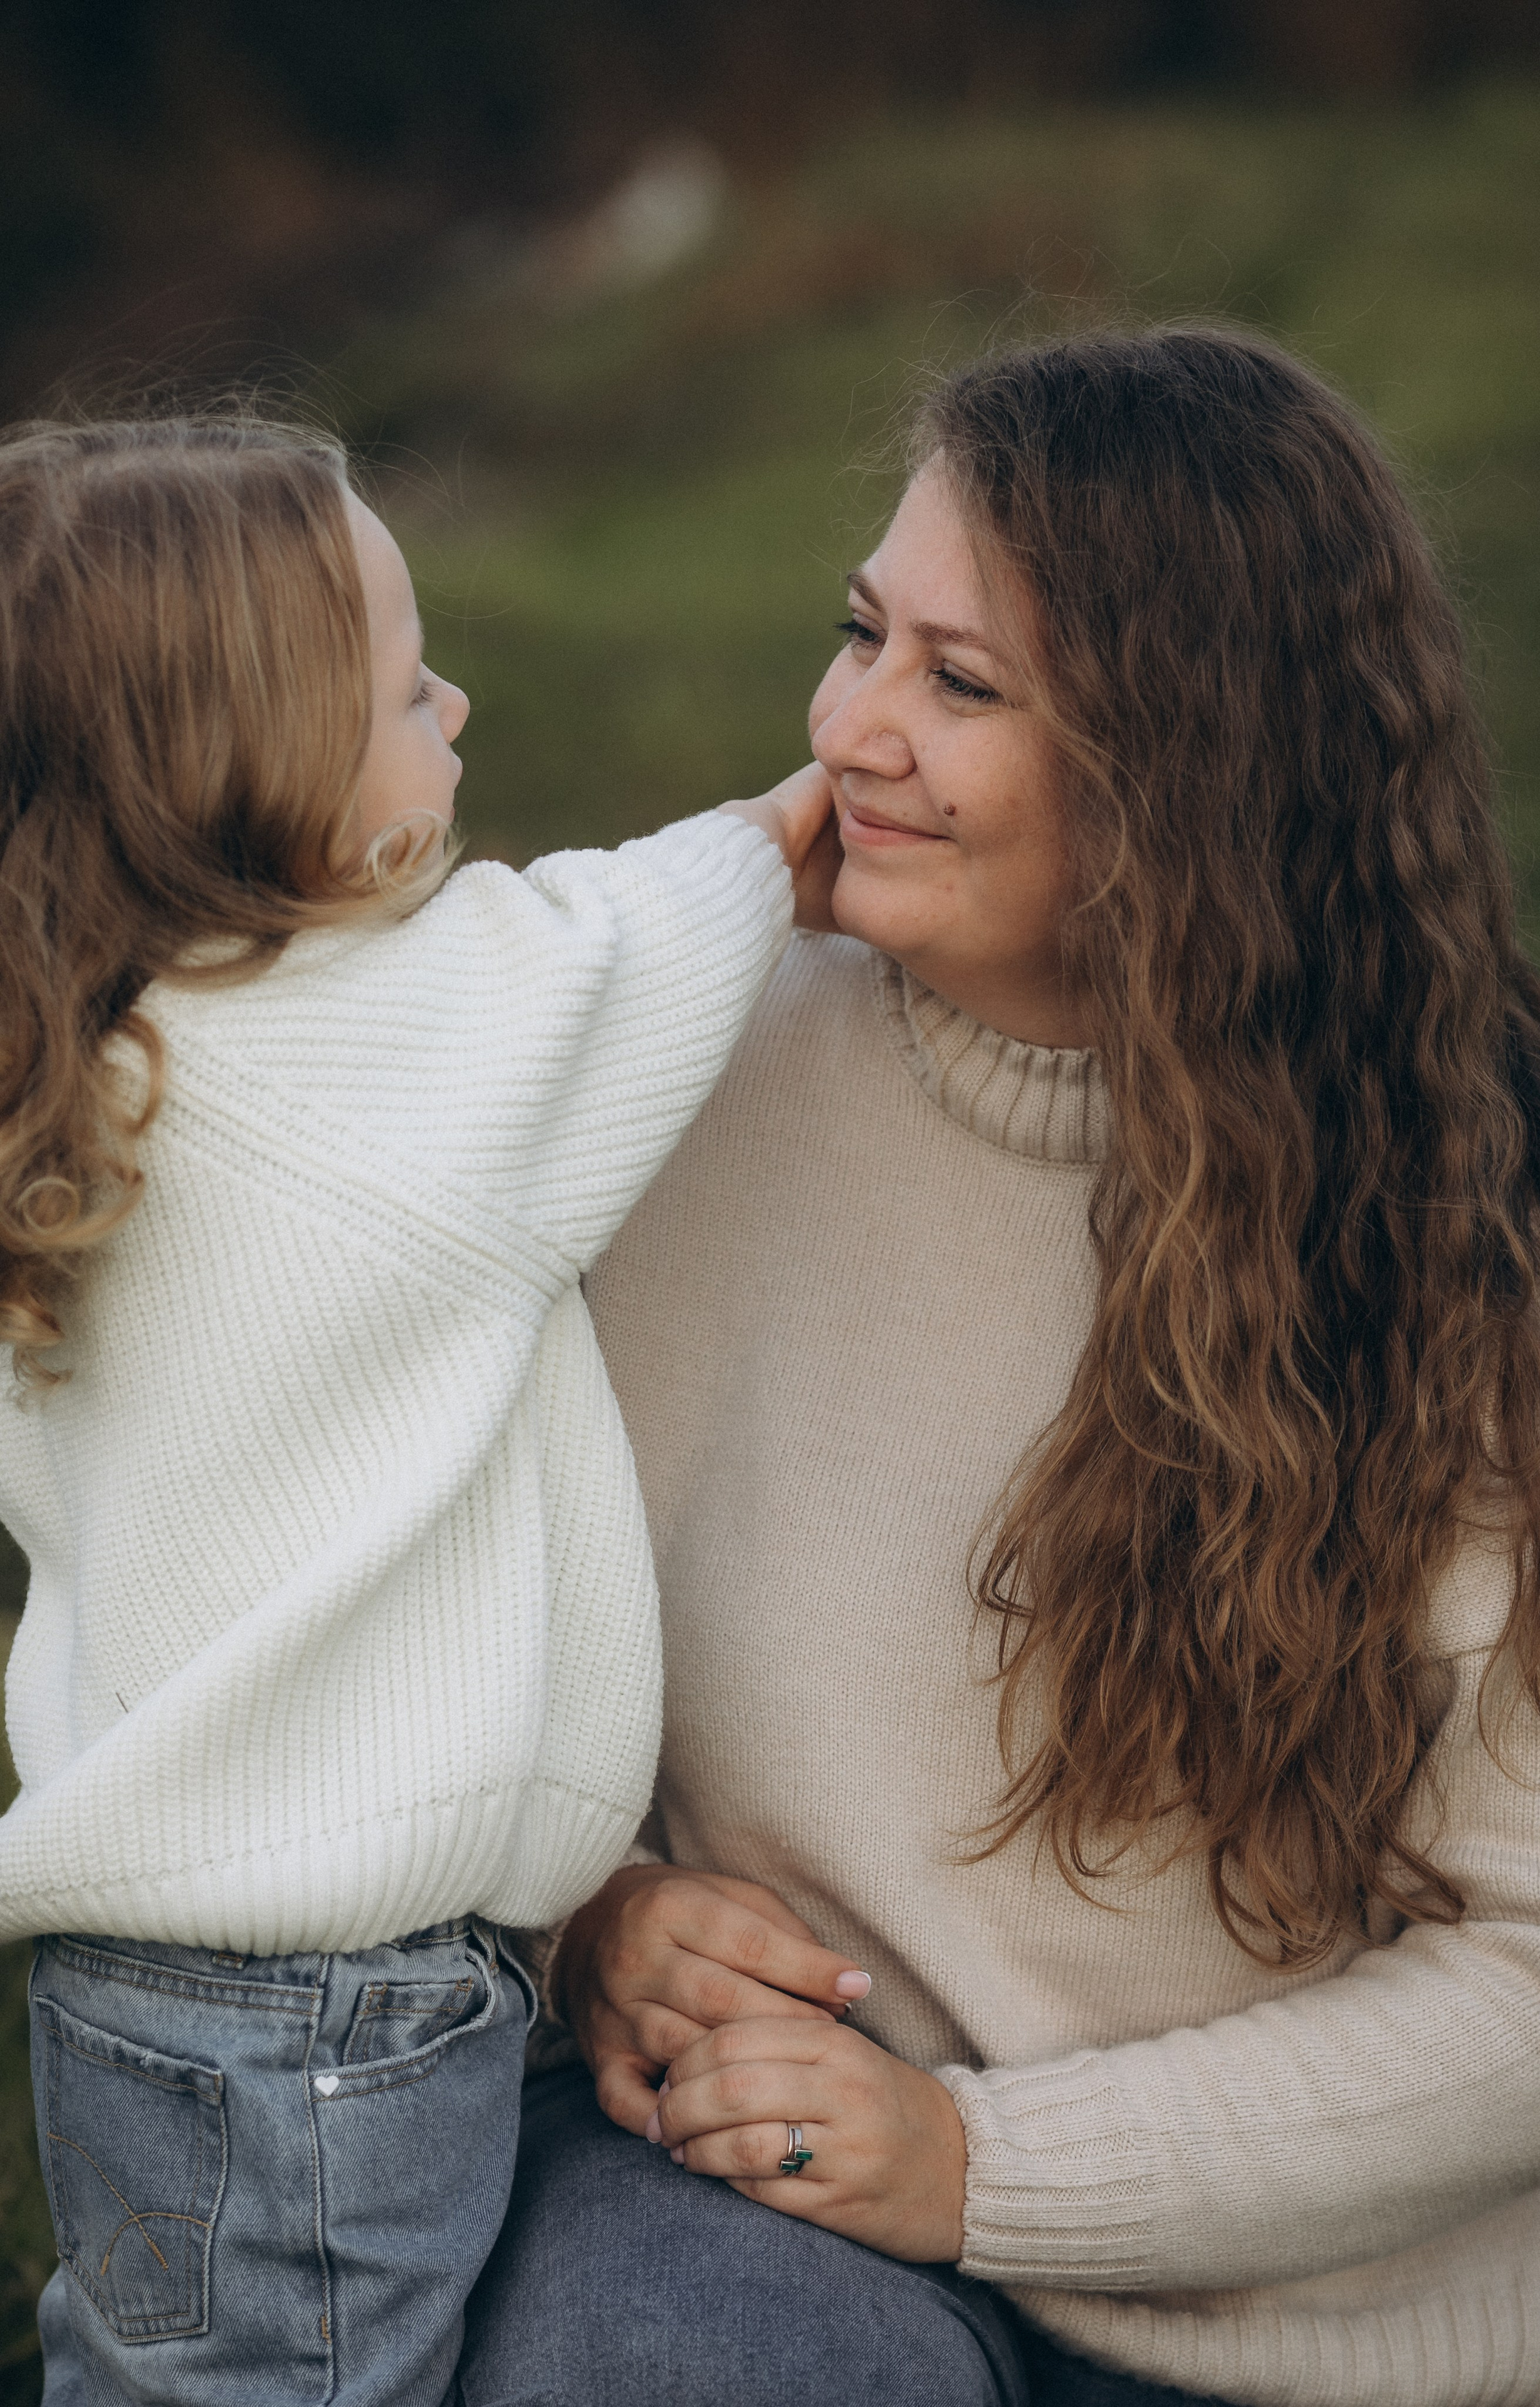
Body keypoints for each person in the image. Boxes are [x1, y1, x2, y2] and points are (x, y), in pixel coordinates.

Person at [454, 327, 1540, 2407]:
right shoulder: (665, 1063)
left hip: (1312, 2316)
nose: (850, 729)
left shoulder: (1509, 1226)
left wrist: (986, 2167)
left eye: (962, 685)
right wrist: (588, 1926)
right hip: (749, 2215)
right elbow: (423, 1655)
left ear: (1198, 774)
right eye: (862, 636)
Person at [0, 414, 840, 2406]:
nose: (453, 703)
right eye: (401, 688)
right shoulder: (382, 1064)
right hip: (322, 2024)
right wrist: (779, 833)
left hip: (146, 1989)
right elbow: (614, 958)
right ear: (259, 774)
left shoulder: (94, 1056)